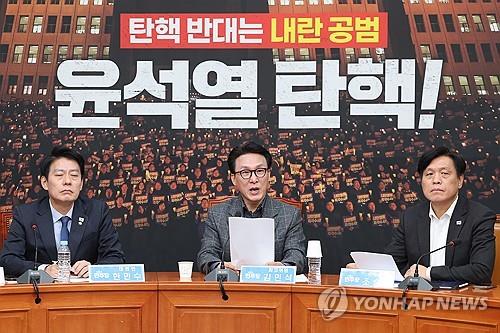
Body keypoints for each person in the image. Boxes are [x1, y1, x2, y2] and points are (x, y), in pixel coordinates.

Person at [0, 146, 125, 278]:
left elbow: (116, 257)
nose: (67, 181)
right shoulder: (25, 215)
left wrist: (94, 269)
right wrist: (44, 269)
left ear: (81, 183)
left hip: (86, 294)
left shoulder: (97, 211)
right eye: (59, 175)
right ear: (44, 182)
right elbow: (8, 260)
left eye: (74, 176)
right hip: (41, 295)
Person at [385, 147, 495, 285]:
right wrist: (366, 270)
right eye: (429, 174)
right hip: (419, 300)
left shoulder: (479, 216)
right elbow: (393, 263)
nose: (436, 180)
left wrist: (429, 273)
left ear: (460, 180)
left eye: (444, 173)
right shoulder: (410, 217)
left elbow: (481, 271)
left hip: (462, 301)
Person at [197, 142, 306, 274]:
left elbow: (297, 256)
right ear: (233, 179)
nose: (254, 179)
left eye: (260, 171)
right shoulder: (218, 214)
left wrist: (283, 267)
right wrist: (220, 267)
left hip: (273, 290)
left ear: (269, 175)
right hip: (231, 290)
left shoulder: (289, 214)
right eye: (245, 172)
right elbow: (205, 255)